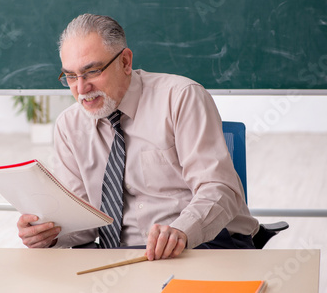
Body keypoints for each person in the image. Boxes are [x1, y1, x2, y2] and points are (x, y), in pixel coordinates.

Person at [17, 14, 259, 261]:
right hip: (119, 258)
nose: (81, 88)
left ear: (125, 61)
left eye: (92, 71)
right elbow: (83, 223)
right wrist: (50, 234)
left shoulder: (181, 98)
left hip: (202, 244)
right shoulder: (69, 125)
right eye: (70, 76)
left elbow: (220, 188)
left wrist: (181, 231)